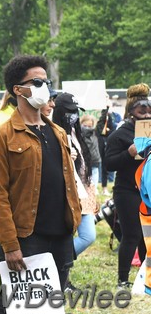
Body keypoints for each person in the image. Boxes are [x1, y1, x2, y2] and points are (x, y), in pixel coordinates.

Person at [0, 55, 81, 314]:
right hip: (27, 238)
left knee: (50, 309)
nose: (46, 87)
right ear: (19, 90)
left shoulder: (58, 133)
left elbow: (67, 182)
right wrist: (10, 244)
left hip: (61, 235)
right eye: (38, 81)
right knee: (13, 310)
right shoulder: (2, 136)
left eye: (47, 81)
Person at [104, 83, 150, 289]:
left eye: (149, 109)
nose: (147, 113)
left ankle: (144, 277)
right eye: (142, 110)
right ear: (132, 111)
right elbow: (109, 163)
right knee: (132, 235)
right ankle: (123, 280)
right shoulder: (120, 133)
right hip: (127, 191)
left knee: (146, 236)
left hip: (146, 189)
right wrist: (129, 153)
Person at [53, 93, 96, 274]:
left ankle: (57, 264)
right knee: (74, 236)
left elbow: (84, 167)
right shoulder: (54, 133)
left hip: (83, 191)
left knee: (88, 236)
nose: (74, 116)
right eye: (70, 112)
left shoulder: (74, 133)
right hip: (66, 193)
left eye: (76, 112)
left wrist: (92, 193)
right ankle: (59, 268)